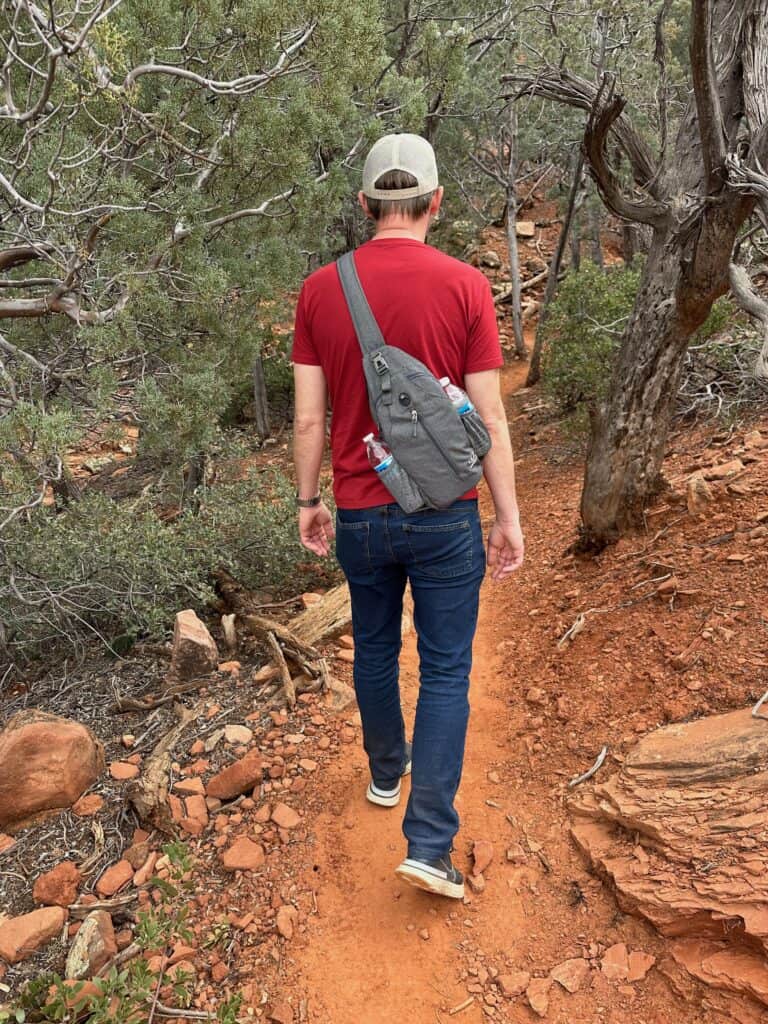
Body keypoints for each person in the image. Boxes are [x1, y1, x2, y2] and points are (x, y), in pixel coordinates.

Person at [291, 133, 524, 899]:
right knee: (447, 667)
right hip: (446, 513)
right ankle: (429, 843)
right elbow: (486, 414)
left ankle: (387, 772)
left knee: (376, 649)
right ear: (435, 201)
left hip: (361, 511)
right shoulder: (465, 287)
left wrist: (308, 499)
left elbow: (307, 421)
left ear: (364, 204)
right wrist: (507, 515)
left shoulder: (321, 290)